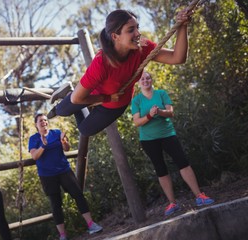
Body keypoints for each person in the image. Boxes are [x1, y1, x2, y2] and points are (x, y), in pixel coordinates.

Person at [48, 8, 193, 137]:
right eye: (131, 30)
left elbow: (177, 58)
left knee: (85, 130)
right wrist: (106, 98)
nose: (138, 33)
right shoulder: (101, 63)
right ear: (115, 36)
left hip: (115, 105)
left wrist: (183, 26)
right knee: (62, 110)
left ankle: (71, 93)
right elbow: (77, 100)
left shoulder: (142, 48)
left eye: (137, 27)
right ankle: (68, 96)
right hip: (94, 95)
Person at [131, 71, 214, 216]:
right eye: (142, 79)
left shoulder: (161, 94)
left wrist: (159, 112)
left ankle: (199, 196)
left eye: (148, 78)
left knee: (183, 162)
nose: (145, 80)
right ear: (139, 83)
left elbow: (170, 113)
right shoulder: (136, 100)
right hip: (148, 140)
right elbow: (137, 122)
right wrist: (150, 115)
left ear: (151, 80)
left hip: (167, 135)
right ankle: (172, 203)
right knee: (161, 169)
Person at [28, 113, 103, 240]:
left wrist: (64, 141)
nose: (44, 122)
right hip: (47, 175)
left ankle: (91, 225)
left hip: (64, 170)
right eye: (40, 121)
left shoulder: (56, 133)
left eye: (45, 120)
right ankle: (63, 235)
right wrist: (43, 145)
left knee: (78, 194)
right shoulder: (34, 138)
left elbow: (67, 148)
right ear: (36, 124)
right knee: (56, 204)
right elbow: (35, 156)